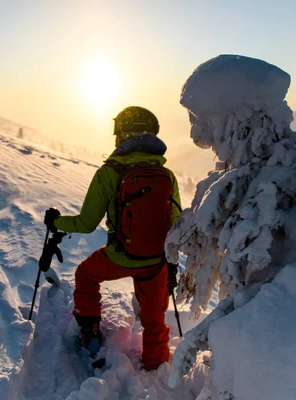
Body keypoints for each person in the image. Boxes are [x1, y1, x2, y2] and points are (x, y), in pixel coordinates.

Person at [44, 106, 181, 371]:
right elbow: (176, 222)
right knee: (155, 320)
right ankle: (156, 367)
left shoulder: (108, 173)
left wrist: (55, 221)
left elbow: (85, 223)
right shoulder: (167, 175)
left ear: (123, 135)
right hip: (156, 260)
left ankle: (90, 333)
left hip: (121, 256)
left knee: (85, 275)